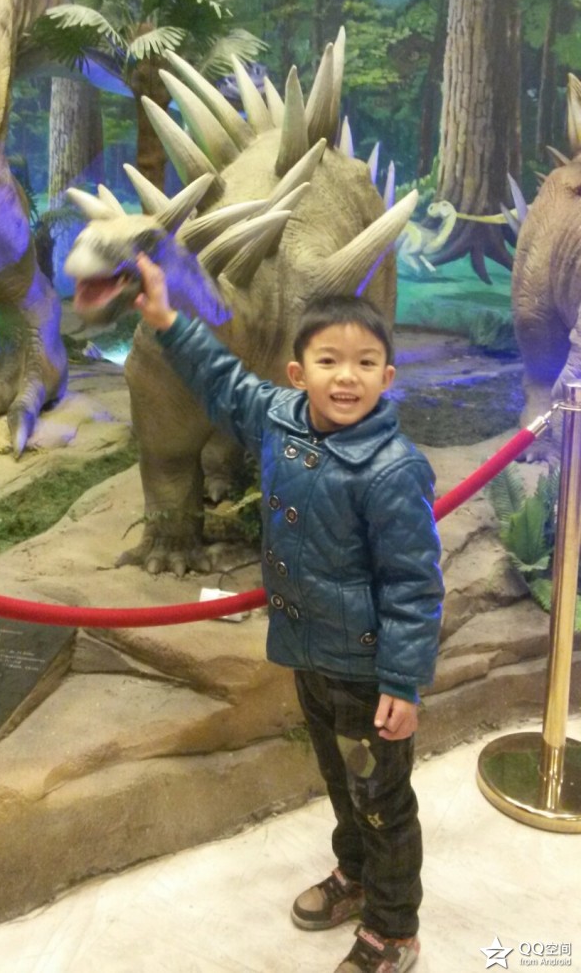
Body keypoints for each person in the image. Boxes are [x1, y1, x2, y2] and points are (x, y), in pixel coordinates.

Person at [134, 253, 444, 973]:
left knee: (382, 800)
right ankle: (355, 873)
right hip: (309, 654)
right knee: (342, 781)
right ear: (298, 374)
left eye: (365, 363)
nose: (347, 376)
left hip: (367, 671)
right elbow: (222, 379)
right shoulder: (278, 418)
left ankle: (393, 929)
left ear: (388, 377)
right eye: (329, 361)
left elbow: (413, 585)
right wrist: (168, 321)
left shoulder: (394, 469)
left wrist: (403, 682)